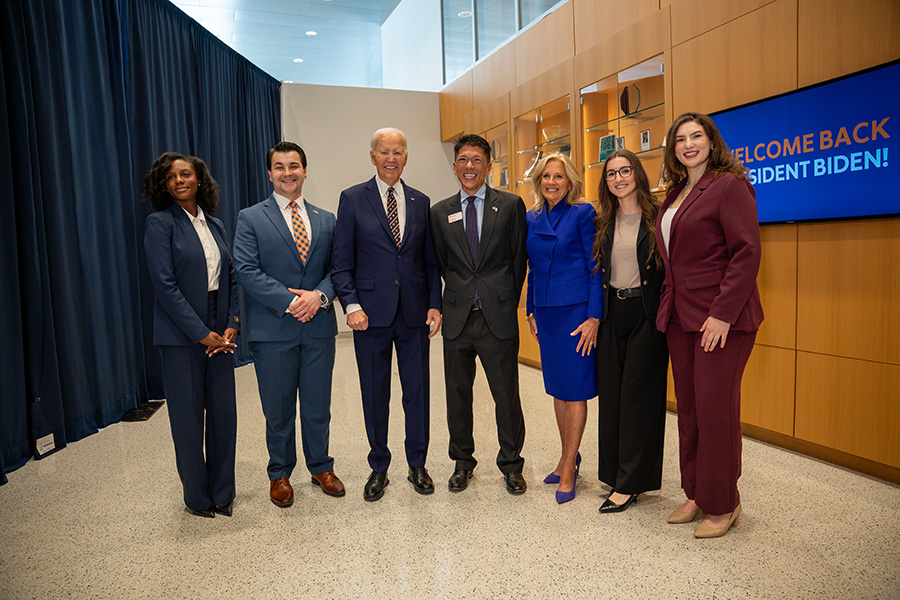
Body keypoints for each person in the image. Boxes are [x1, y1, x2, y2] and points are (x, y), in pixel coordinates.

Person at [657, 112, 763, 538]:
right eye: (680, 139)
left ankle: (723, 503)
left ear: (711, 141)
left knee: (716, 412)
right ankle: (697, 492)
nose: (688, 144)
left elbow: (746, 252)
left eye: (696, 136)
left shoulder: (729, 185)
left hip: (721, 320)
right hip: (680, 318)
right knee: (690, 410)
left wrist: (722, 313)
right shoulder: (676, 192)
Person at [331, 127, 442, 501]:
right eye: (384, 152)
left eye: (398, 152)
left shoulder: (420, 201)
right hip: (369, 316)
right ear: (372, 156)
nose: (391, 159)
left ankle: (417, 464)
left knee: (417, 393)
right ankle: (379, 466)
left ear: (406, 157)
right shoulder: (352, 199)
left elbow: (429, 262)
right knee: (375, 393)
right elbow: (341, 262)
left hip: (413, 314)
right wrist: (351, 305)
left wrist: (434, 304)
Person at [233, 141, 343, 507]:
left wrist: (319, 297)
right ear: (270, 174)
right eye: (279, 167)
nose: (287, 173)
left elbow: (338, 269)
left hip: (318, 327)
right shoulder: (251, 217)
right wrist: (293, 301)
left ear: (305, 171)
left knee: (318, 405)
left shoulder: (327, 219)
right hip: (273, 330)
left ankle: (321, 467)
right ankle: (279, 473)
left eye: (294, 166)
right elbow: (246, 270)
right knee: (278, 409)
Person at [142, 152, 240, 518]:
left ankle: (223, 493)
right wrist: (201, 333)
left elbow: (231, 277)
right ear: (164, 185)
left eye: (185, 174)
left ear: (199, 179)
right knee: (187, 421)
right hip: (181, 334)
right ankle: (197, 498)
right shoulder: (159, 223)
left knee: (223, 416)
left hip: (220, 329)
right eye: (171, 177)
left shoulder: (216, 224)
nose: (179, 181)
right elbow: (165, 287)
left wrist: (231, 323)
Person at [430, 134, 528, 495]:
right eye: (463, 160)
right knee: (457, 395)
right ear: (454, 166)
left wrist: (501, 298)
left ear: (488, 166)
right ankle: (462, 462)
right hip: (458, 317)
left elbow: (518, 260)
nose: (469, 166)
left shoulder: (511, 205)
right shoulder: (439, 212)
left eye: (476, 160)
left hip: (497, 316)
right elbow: (441, 263)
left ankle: (511, 464)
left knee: (506, 395)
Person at [592, 150, 668, 514]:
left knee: (638, 397)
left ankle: (630, 483)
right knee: (612, 396)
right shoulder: (602, 221)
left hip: (646, 313)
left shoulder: (659, 216)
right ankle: (614, 474)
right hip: (611, 313)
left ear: (637, 174)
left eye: (625, 171)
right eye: (611, 174)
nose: (618, 178)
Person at [525, 153, 602, 504]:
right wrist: (530, 309)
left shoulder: (583, 213)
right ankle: (567, 455)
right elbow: (532, 266)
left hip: (575, 313)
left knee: (575, 390)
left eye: (558, 176)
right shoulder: (532, 217)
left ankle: (569, 467)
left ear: (570, 181)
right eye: (546, 176)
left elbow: (595, 266)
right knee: (558, 389)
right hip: (546, 314)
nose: (551, 182)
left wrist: (594, 317)